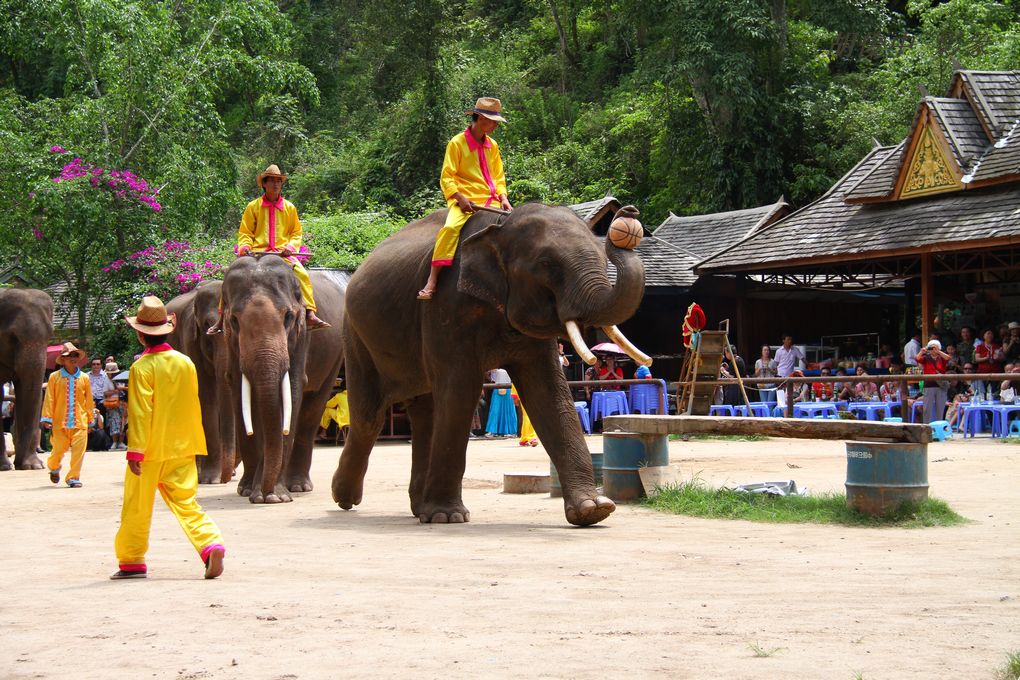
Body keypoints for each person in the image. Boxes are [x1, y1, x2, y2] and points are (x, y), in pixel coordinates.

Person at [112, 296, 225, 580]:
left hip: (150, 449)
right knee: (186, 502)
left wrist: (135, 451)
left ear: (140, 334)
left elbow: (140, 412)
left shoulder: (141, 368)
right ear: (167, 329)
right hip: (184, 446)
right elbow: (191, 403)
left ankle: (132, 561)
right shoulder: (185, 362)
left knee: (137, 506)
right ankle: (210, 543)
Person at [208, 164, 330, 333]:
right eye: (271, 181)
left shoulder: (289, 207)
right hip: (256, 253)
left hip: (282, 254)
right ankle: (221, 318)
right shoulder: (253, 206)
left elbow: (296, 232)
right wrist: (245, 247)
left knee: (302, 274)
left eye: (278, 181)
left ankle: (310, 313)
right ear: (264, 184)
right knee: (231, 275)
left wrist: (290, 246)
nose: (275, 184)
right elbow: (245, 231)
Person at [418, 97, 512, 300]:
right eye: (491, 120)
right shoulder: (457, 143)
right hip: (467, 199)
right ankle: (432, 280)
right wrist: (459, 197)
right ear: (478, 118)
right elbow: (447, 175)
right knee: (451, 229)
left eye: (496, 121)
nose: (495, 125)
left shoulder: (492, 145)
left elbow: (498, 176)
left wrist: (503, 197)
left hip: (491, 200)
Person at [41, 343, 91, 488]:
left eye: (75, 355)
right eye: (69, 356)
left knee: (79, 452)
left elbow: (89, 399)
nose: (73, 358)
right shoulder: (54, 377)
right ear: (63, 359)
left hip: (80, 421)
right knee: (58, 450)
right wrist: (47, 418)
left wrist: (90, 418)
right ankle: (54, 467)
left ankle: (73, 477)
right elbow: (50, 398)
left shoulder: (84, 378)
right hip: (59, 422)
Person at [917, 339, 950, 423]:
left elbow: (948, 358)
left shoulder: (941, 358)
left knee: (940, 407)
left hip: (940, 385)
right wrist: (922, 351)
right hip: (929, 384)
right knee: (927, 408)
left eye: (935, 347)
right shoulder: (926, 358)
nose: (933, 350)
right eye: (931, 348)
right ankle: (926, 426)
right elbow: (917, 358)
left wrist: (938, 351)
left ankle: (940, 426)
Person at [484, 368, 517, 437]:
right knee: (494, 410)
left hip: (508, 389)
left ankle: (510, 431)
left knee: (508, 410)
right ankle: (492, 431)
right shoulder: (494, 366)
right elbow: (489, 376)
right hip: (497, 388)